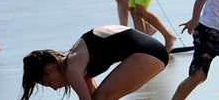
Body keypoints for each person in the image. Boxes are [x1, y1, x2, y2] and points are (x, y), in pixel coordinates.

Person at [21, 25, 170, 100]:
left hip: (147, 53)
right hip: (153, 51)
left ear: (49, 70)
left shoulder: (73, 68)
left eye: (48, 84)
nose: (54, 89)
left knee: (101, 98)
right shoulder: (80, 65)